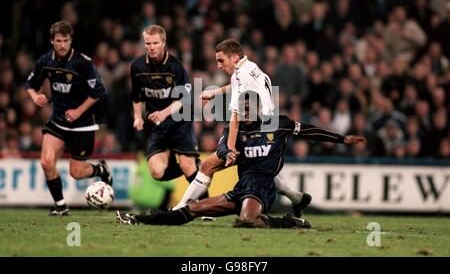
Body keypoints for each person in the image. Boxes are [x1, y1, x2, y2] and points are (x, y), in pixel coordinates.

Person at [116, 91, 366, 228]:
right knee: (192, 209)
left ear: (260, 109)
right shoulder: (234, 129)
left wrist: (342, 139)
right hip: (240, 188)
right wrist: (228, 153)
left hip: (263, 188)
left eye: (249, 108)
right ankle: (140, 219)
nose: (245, 112)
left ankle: (288, 222)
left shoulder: (279, 123)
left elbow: (310, 130)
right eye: (241, 109)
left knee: (246, 220)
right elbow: (223, 148)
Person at [173, 39, 310, 217]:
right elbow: (236, 86)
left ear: (235, 58)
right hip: (267, 131)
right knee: (257, 172)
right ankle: (297, 198)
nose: (219, 65)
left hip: (253, 131)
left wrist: (230, 149)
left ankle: (181, 208)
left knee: (207, 165)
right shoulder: (250, 67)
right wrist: (215, 92)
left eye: (221, 61)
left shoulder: (239, 74)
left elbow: (235, 118)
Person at [25, 20, 112, 216]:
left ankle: (100, 169)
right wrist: (35, 96)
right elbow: (30, 83)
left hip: (82, 125)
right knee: (47, 162)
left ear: (71, 40)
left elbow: (99, 91)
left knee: (76, 172)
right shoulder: (46, 61)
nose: (62, 45)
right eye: (58, 40)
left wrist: (78, 112)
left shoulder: (83, 63)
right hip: (58, 121)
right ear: (52, 41)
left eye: (65, 40)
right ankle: (61, 206)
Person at [130, 25, 203, 188]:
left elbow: (185, 97)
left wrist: (164, 113)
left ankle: (206, 206)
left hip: (180, 121)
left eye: (155, 43)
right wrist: (137, 117)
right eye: (148, 43)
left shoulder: (176, 66)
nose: (151, 47)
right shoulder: (137, 67)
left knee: (187, 166)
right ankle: (197, 169)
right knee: (157, 172)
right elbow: (136, 96)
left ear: (163, 42)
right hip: (157, 126)